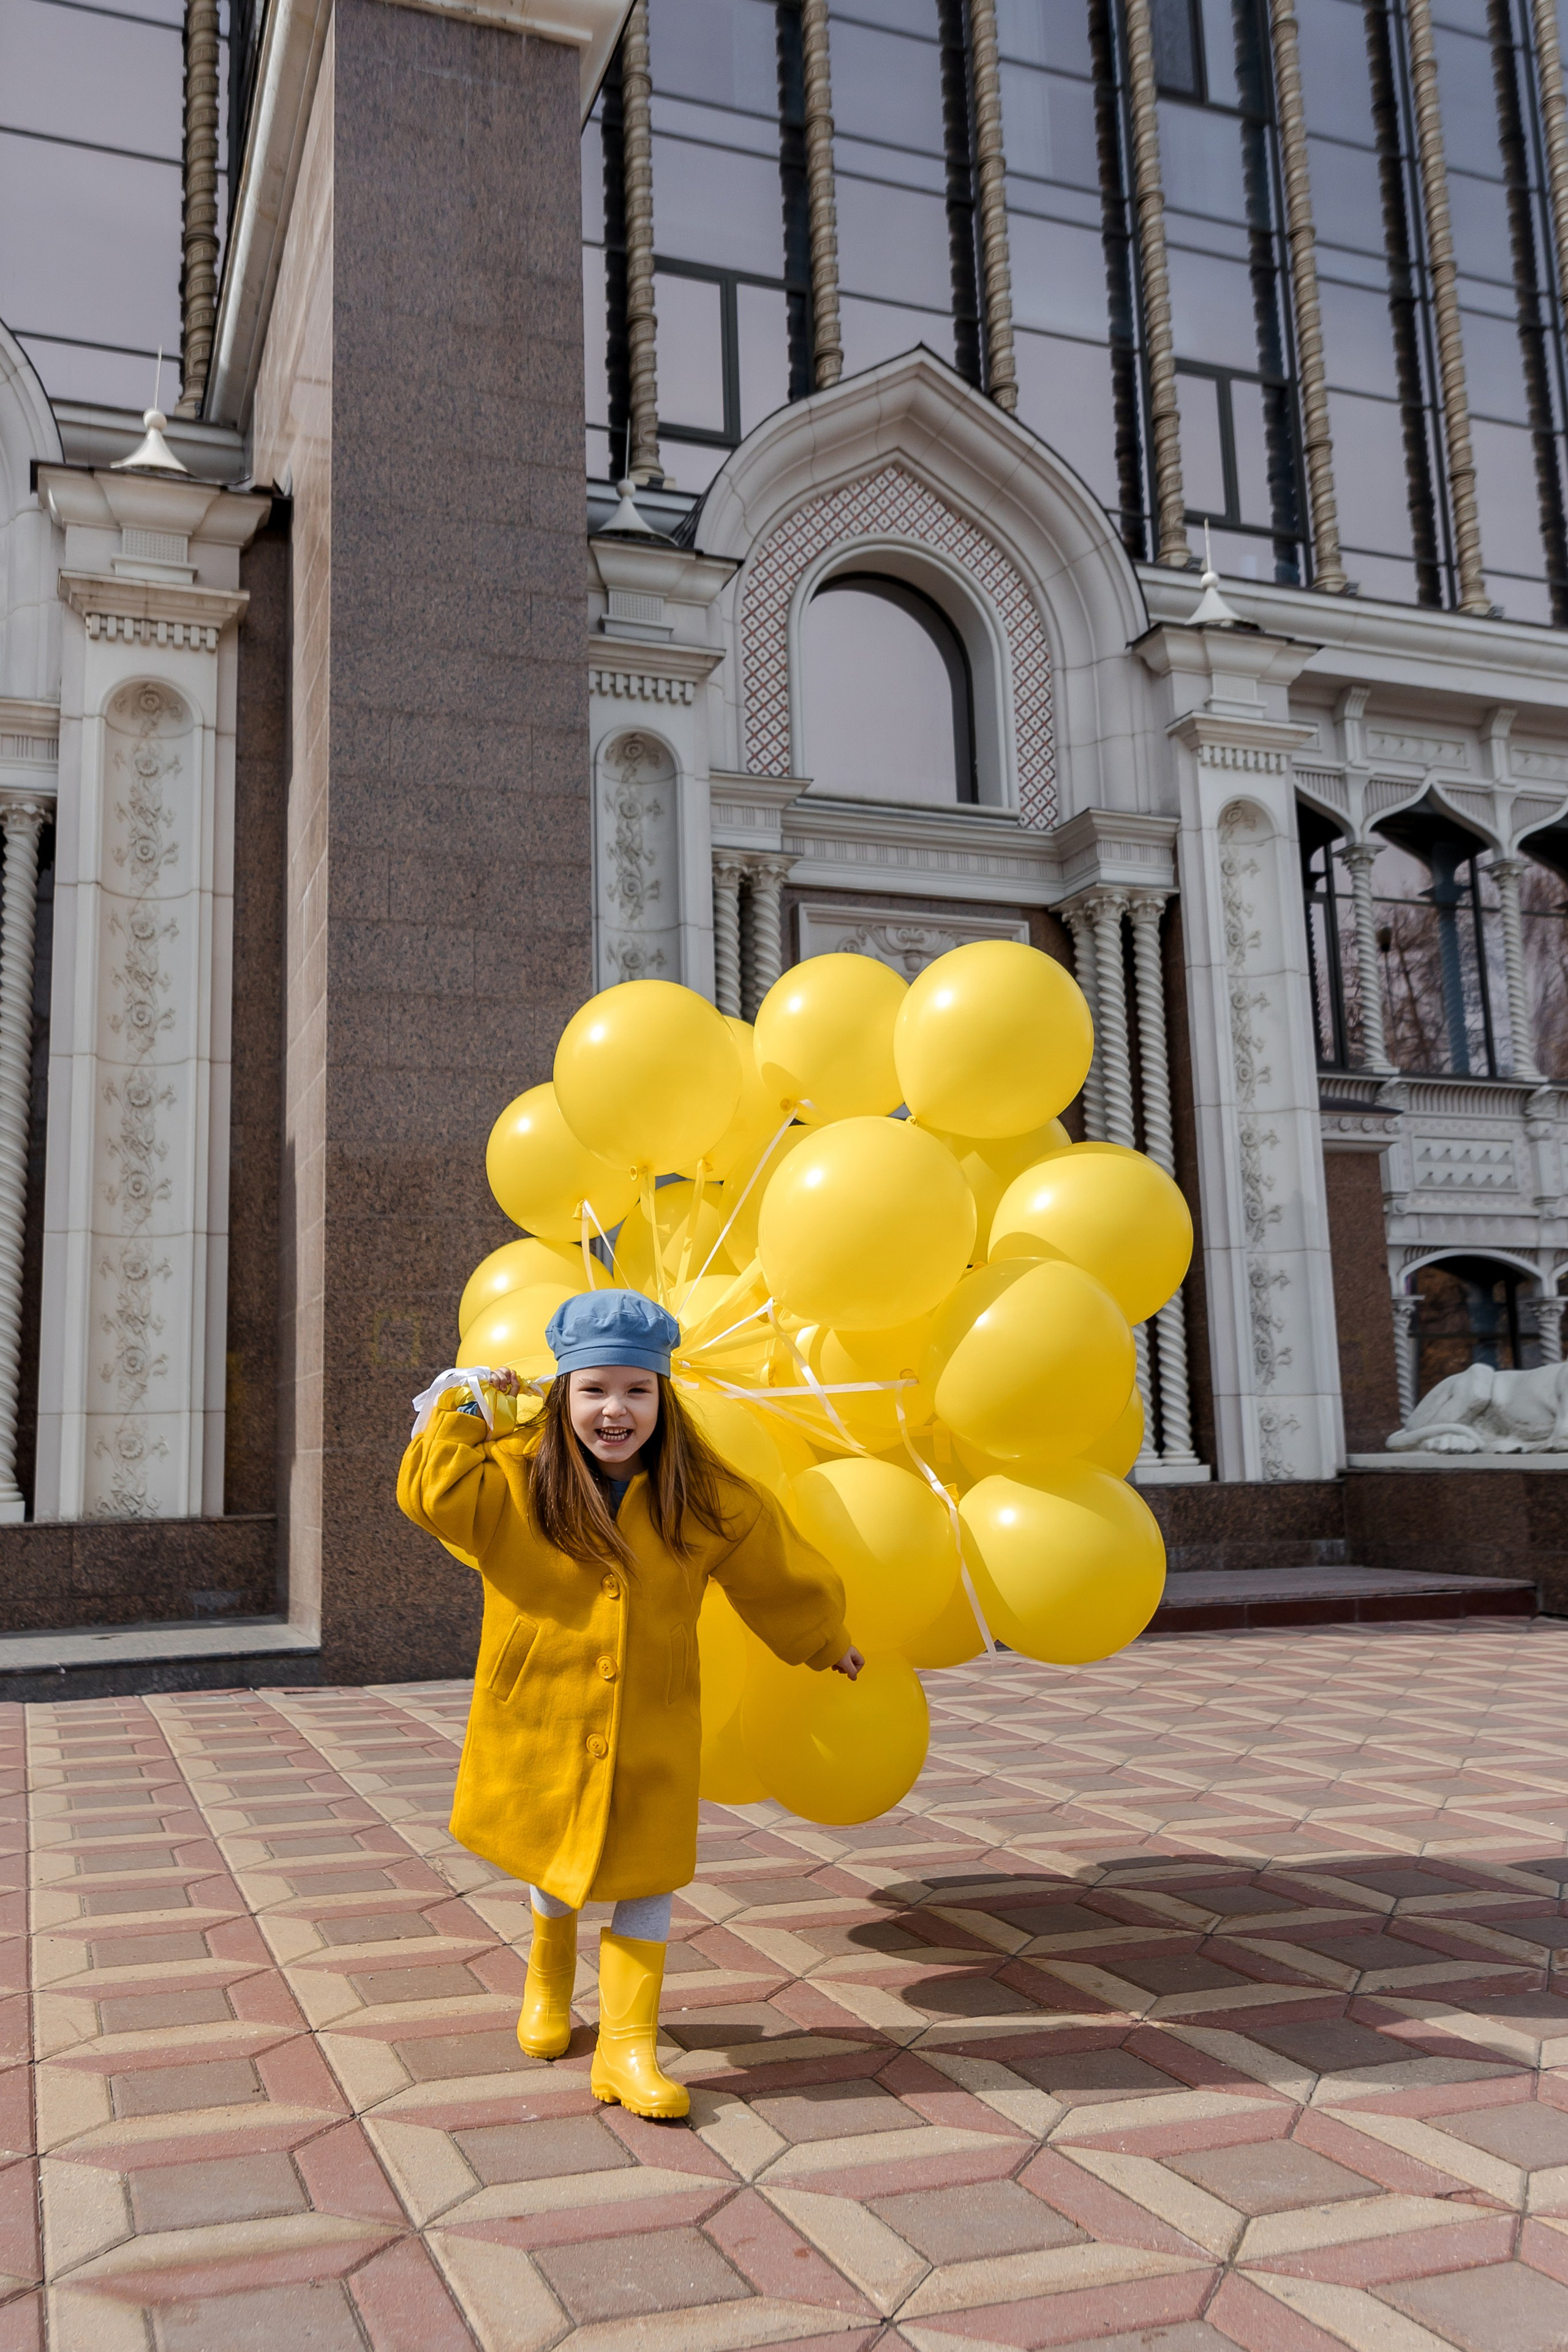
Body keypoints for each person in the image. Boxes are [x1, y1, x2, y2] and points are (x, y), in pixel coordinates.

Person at [396, 1287, 864, 2121]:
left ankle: (627, 2047)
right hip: (543, 1710)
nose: (616, 1410)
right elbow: (432, 1496)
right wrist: (469, 1405)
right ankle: (548, 1983)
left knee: (650, 1871)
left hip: (654, 1717)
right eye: (595, 1390)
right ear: (563, 1395)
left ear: (663, 1396)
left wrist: (823, 1637)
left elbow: (769, 1561)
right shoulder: (516, 1477)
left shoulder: (701, 1494)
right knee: (557, 1858)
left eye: (637, 1390)